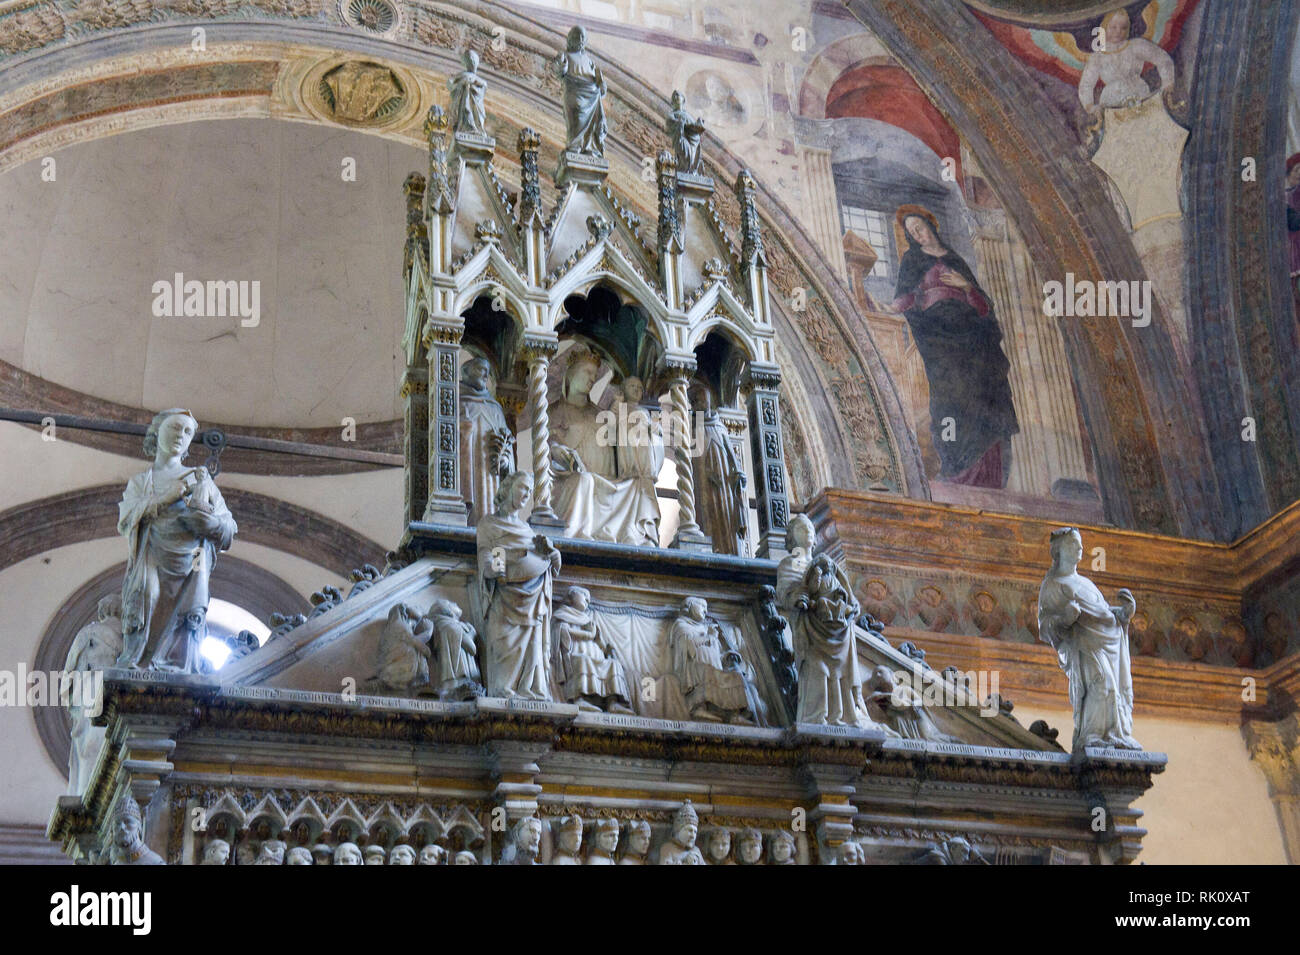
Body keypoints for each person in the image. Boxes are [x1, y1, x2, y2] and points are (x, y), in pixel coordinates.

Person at [892, 212, 1018, 488]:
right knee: (950, 397)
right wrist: (900, 304)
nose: (917, 234)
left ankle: (989, 475)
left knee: (983, 396)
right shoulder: (912, 260)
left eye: (920, 227)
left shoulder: (955, 259)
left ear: (931, 225)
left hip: (972, 334)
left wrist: (966, 287)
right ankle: (955, 467)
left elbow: (984, 306)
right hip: (938, 337)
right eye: (912, 232)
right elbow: (903, 299)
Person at [116, 409, 236, 671]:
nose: (181, 435)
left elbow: (228, 530)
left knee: (188, 613)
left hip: (193, 559)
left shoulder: (200, 479)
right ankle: (141, 662)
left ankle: (177, 667)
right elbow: (125, 521)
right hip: (153, 552)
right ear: (157, 432)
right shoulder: (141, 482)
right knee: (149, 595)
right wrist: (165, 497)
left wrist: (210, 524)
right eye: (174, 428)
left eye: (187, 431)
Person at [1037, 527, 1141, 751]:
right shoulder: (1053, 586)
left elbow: (1103, 613)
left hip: (1108, 644)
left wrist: (1123, 614)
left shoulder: (1085, 583)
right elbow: (1044, 626)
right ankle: (1091, 735)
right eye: (1073, 544)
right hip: (1084, 646)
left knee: (1114, 688)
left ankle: (1116, 735)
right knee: (1102, 686)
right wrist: (1064, 619)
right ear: (1058, 552)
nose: (1080, 548)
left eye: (1080, 544)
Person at [550, 350, 657, 545]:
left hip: (608, 482)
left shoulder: (600, 413)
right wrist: (556, 451)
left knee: (639, 484)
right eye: (587, 372)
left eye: (595, 374)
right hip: (572, 480)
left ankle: (637, 535)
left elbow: (620, 444)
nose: (592, 378)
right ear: (571, 373)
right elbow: (546, 444)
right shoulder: (556, 410)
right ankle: (576, 534)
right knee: (584, 481)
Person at [476, 471, 561, 699]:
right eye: (522, 488)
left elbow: (544, 565)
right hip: (505, 598)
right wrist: (505, 562)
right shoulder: (489, 524)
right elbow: (489, 559)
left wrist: (553, 557)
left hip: (532, 599)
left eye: (530, 491)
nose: (526, 495)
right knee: (504, 646)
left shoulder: (527, 530)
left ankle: (529, 687)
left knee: (532, 645)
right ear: (507, 489)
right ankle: (504, 688)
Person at [553, 586, 633, 713]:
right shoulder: (562, 614)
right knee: (583, 661)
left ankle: (612, 702)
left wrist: (607, 648)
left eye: (589, 598)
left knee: (613, 664)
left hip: (596, 656)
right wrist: (588, 635)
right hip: (575, 654)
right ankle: (579, 699)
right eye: (584, 595)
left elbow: (599, 640)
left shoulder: (589, 620)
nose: (587, 600)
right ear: (572, 596)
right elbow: (562, 632)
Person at [691, 384, 747, 556]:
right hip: (706, 483)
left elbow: (731, 453)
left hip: (724, 481)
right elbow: (693, 460)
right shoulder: (693, 428)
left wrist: (738, 472)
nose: (704, 404)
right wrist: (707, 474)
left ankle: (731, 549)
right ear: (693, 405)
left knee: (727, 515)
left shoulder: (719, 427)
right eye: (699, 401)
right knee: (708, 515)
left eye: (706, 401)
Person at [459, 356, 514, 526]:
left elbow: (507, 442)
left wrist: (505, 460)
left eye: (488, 372)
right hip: (468, 471)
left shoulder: (494, 407)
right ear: (465, 372)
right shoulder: (456, 401)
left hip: (491, 476)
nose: (485, 375)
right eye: (480, 369)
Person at [553, 26, 607, 156]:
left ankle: (588, 147)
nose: (581, 40)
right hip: (574, 92)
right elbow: (560, 72)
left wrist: (601, 85)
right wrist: (561, 64)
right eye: (577, 36)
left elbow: (598, 82)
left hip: (591, 96)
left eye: (583, 37)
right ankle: (574, 146)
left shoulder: (589, 61)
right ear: (570, 40)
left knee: (592, 124)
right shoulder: (566, 55)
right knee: (576, 119)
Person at [665, 90, 705, 175]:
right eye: (674, 97)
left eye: (677, 95)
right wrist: (680, 123)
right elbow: (670, 122)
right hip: (681, 137)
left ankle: (691, 171)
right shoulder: (673, 114)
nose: (675, 97)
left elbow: (694, 125)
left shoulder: (687, 114)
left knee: (693, 157)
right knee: (686, 156)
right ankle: (685, 170)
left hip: (693, 139)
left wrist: (699, 122)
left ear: (683, 100)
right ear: (672, 102)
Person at [448, 49, 487, 135]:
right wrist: (461, 84)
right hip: (465, 98)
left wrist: (473, 83)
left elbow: (483, 87)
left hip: (476, 103)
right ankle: (470, 127)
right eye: (470, 61)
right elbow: (450, 83)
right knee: (466, 109)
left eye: (474, 62)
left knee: (476, 114)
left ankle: (476, 128)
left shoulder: (480, 80)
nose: (473, 65)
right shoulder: (463, 75)